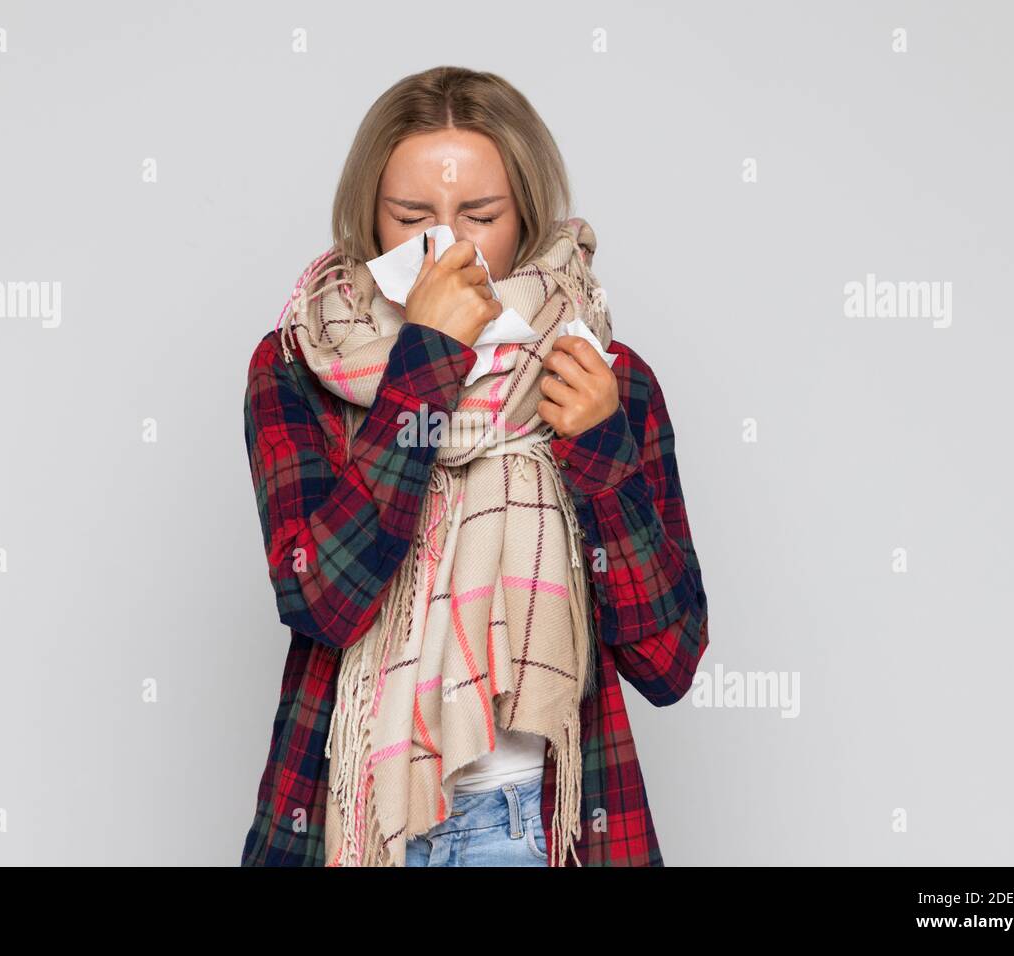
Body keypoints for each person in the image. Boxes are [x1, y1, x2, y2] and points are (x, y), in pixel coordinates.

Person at [241, 66, 709, 867]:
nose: (450, 245)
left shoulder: (603, 374)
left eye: (480, 215)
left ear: (524, 214)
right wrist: (425, 359)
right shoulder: (301, 364)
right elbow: (321, 598)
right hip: (354, 823)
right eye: (412, 215)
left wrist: (600, 450)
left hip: (537, 828)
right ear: (368, 215)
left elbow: (668, 660)